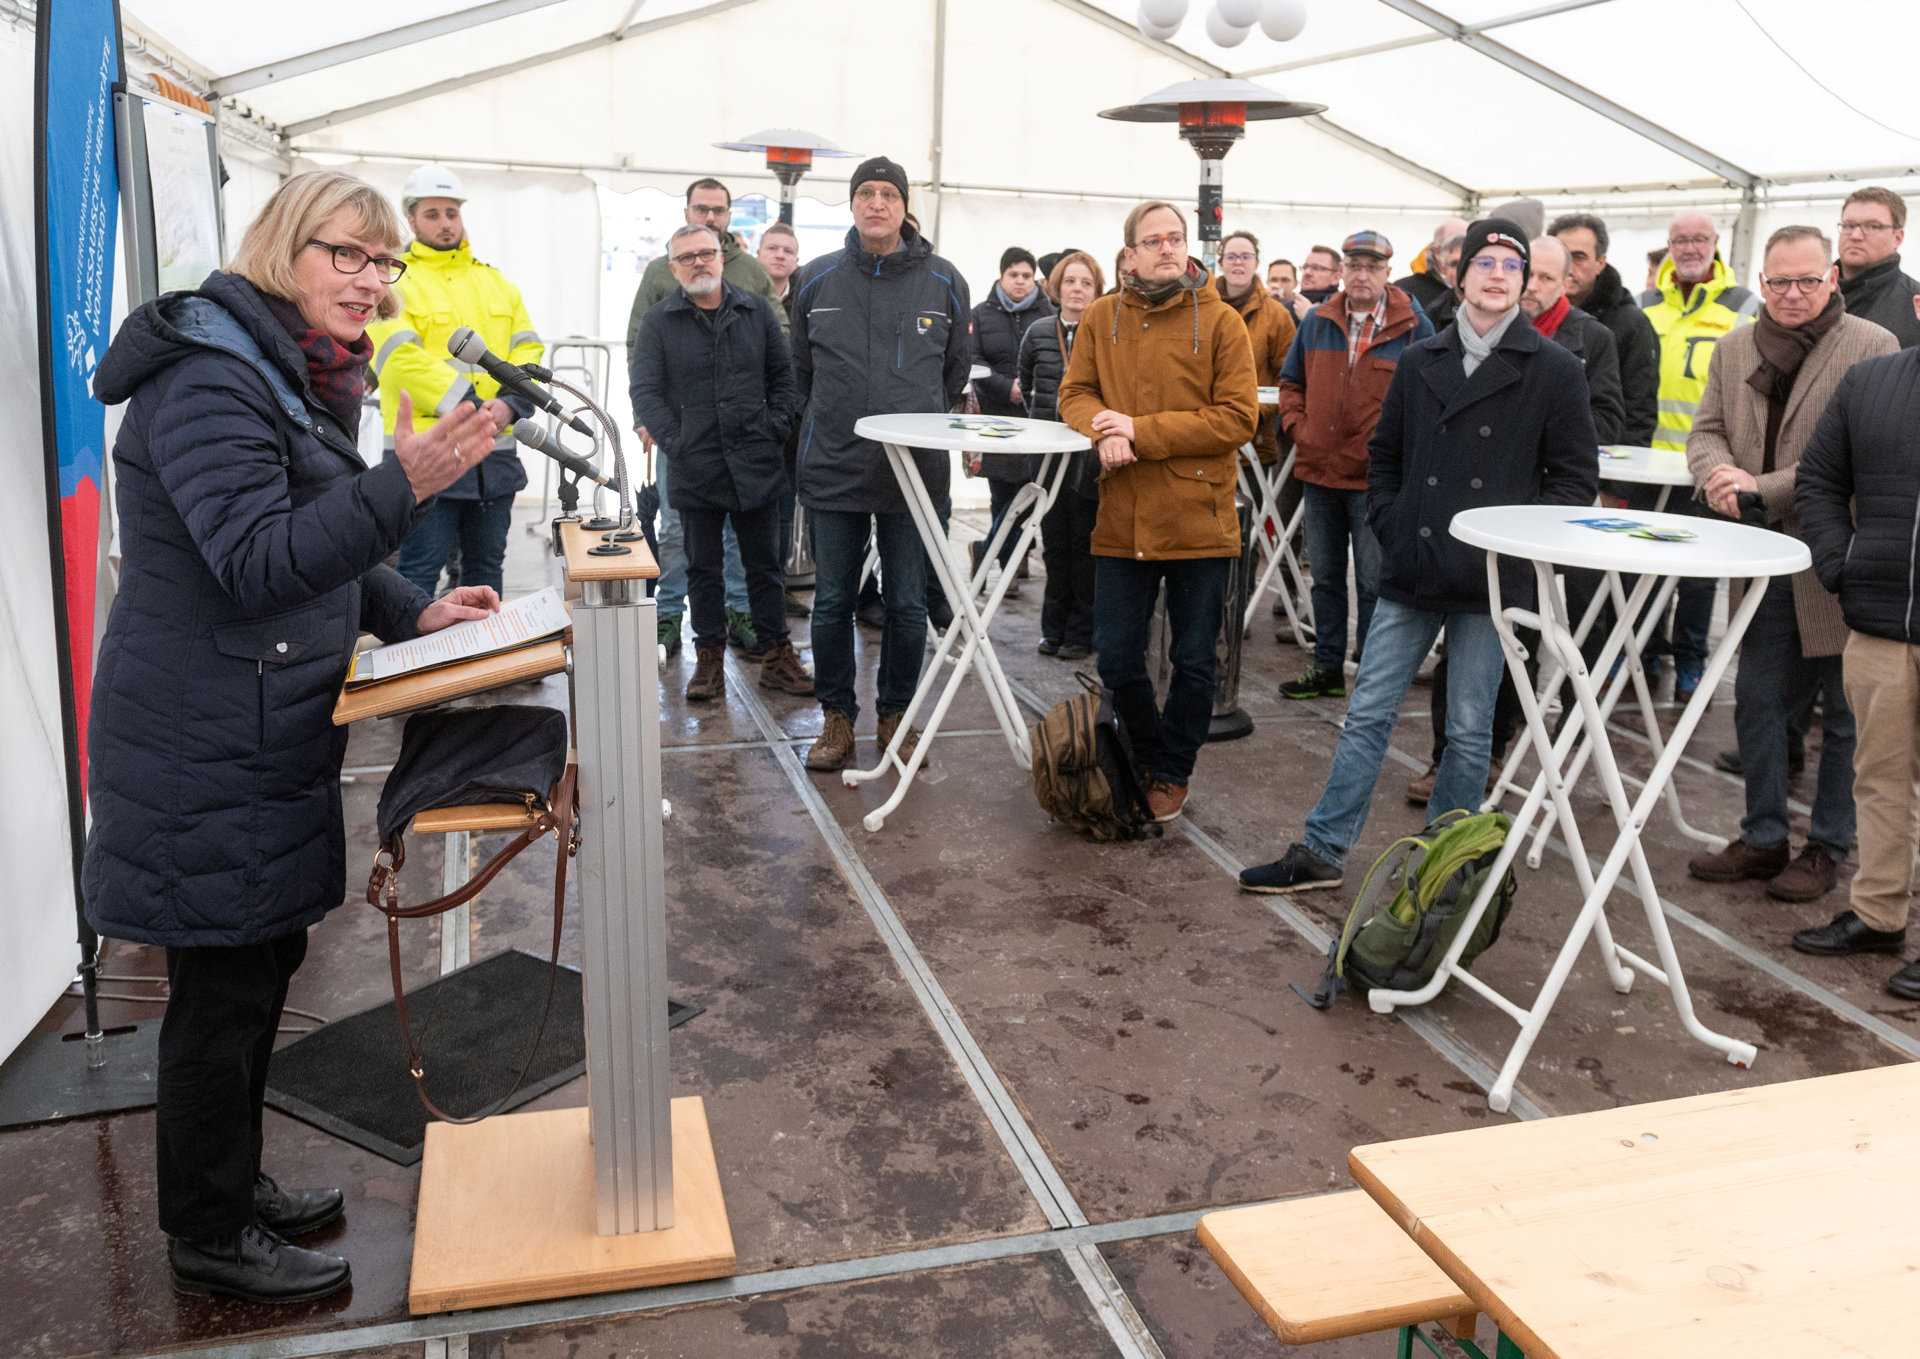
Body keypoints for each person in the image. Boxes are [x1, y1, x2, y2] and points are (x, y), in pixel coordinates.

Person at [86, 171, 504, 1303]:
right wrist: (404, 484)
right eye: (347, 254)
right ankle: (208, 1231)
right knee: (221, 986)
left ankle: (231, 1180)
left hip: (258, 721)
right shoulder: (211, 377)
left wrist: (410, 611)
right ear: (284, 247)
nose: (371, 280)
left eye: (385, 262)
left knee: (262, 960)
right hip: (199, 732)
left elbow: (318, 534)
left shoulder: (286, 367)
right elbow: (260, 561)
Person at [1239, 220, 1599, 893]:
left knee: (1468, 728)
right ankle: (1322, 848)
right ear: (1458, 276)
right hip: (1414, 564)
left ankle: (1441, 866)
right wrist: (1395, 523)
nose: (1496, 276)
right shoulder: (1420, 357)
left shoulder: (1555, 370)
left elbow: (1573, 483)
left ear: (1525, 281)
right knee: (1367, 711)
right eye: (1483, 263)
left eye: (1511, 267)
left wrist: (1513, 549)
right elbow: (1387, 457)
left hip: (1491, 580)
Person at [1683, 226, 1897, 901]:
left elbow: (1860, 456)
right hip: (1759, 556)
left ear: (1832, 278)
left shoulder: (1872, 345)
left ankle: (1827, 847)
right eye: (1779, 281)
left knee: (1845, 716)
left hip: (1838, 554)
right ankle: (1764, 837)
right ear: (1762, 281)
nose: (1793, 293)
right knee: (1758, 701)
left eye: (1808, 280)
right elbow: (1705, 430)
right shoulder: (1733, 346)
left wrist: (1760, 488)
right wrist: (1718, 476)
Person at [1057, 201, 1257, 822]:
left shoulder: (1222, 321)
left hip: (1200, 515)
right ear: (1129, 254)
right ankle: (1146, 758)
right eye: (1153, 240)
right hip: (1124, 513)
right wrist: (1103, 428)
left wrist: (1140, 431)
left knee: (1193, 659)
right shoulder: (1101, 316)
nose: (1167, 248)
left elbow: (1238, 417)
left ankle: (1172, 772)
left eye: (1176, 237)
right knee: (1117, 656)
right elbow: (1074, 392)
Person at [1407, 233, 1623, 804]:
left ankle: (1496, 754)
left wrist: (1533, 437)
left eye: (1543, 276)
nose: (1528, 286)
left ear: (1558, 281)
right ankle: (1448, 760)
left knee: (1520, 643)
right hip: (1462, 522)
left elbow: (1606, 423)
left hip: (1534, 520)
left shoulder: (1587, 340)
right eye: (1492, 264)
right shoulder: (1461, 332)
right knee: (1461, 650)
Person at [790, 156, 972, 771]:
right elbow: (801, 371)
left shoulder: (944, 281)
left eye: (888, 194)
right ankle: (837, 719)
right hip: (833, 465)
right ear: (851, 204)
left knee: (908, 603)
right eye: (865, 192)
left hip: (914, 471)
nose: (876, 203)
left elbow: (953, 374)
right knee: (831, 602)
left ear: (903, 206)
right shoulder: (816, 279)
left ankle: (896, 716)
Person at [1791, 290, 1920, 999]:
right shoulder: (1871, 383)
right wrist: (1841, 563)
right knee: (1879, 777)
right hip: (1879, 625)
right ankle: (1878, 914)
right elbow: (1818, 479)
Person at [630, 224, 813, 703]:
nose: (698, 262)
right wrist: (676, 441)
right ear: (673, 269)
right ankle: (708, 657)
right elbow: (644, 389)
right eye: (686, 257)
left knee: (765, 567)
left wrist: (775, 427)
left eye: (706, 253)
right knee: (703, 569)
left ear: (721, 257)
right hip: (695, 464)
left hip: (756, 458)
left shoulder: (755, 310)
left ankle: (777, 655)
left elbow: (783, 376)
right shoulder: (660, 321)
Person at [368, 164, 543, 600]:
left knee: (485, 574)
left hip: (494, 461)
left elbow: (528, 349)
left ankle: (486, 648)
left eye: (452, 212)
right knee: (418, 574)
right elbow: (398, 359)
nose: (445, 223)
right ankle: (417, 648)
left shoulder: (496, 282)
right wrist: (473, 407)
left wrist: (510, 403)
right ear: (411, 220)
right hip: (430, 457)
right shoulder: (392, 281)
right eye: (432, 214)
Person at [1275, 230, 1434, 700]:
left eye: (1373, 267)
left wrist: (1395, 455)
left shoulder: (1414, 327)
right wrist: (1299, 428)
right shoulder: (1317, 321)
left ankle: (1370, 677)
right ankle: (1326, 668)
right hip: (1319, 471)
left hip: (1373, 482)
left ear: (1388, 273)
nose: (1362, 275)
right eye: (1355, 266)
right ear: (1343, 271)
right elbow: (1290, 382)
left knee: (1372, 581)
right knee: (1325, 579)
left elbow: (1428, 398)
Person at [631, 179, 777, 658]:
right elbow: (639, 348)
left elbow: (779, 342)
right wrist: (655, 425)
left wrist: (771, 424)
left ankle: (740, 612)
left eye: (718, 210)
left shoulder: (751, 273)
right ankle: (669, 615)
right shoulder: (660, 271)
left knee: (738, 538)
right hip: (685, 437)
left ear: (729, 217)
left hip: (743, 435)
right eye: (701, 208)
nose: (710, 216)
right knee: (677, 531)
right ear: (687, 212)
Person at [1642, 209, 1760, 702]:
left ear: (1716, 243)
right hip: (1647, 467)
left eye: (1699, 239)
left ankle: (1691, 660)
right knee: (1645, 567)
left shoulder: (1746, 305)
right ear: (1669, 246)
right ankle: (1644, 653)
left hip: (1709, 465)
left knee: (1698, 575)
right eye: (1680, 240)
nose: (1689, 248)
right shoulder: (1645, 304)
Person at [1020, 250, 1105, 659]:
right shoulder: (1038, 332)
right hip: (1048, 454)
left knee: (1084, 544)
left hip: (1087, 454)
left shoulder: (1106, 333)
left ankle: (1080, 634)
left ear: (1097, 289)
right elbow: (1026, 383)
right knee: (1053, 544)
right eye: (1070, 281)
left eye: (1086, 282)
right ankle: (1051, 630)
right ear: (1056, 287)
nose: (1077, 289)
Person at [971, 246, 1055, 592]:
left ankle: (986, 550)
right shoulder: (981, 314)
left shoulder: (1048, 312)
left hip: (1035, 418)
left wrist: (1031, 388)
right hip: (996, 418)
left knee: (1029, 492)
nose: (1020, 281)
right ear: (1002, 276)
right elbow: (973, 361)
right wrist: (1007, 388)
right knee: (1001, 494)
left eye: (1026, 275)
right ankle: (1008, 566)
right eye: (1013, 275)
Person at [1550, 211, 1659, 446]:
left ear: (1600, 263)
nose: (1569, 267)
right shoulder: (1529, 315)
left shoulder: (1631, 324)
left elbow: (1638, 413)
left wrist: (1616, 471)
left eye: (1579, 257)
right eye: (1562, 256)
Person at [758, 221, 811, 619]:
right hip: (747, 428)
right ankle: (739, 599)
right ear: (758, 254)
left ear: (796, 260)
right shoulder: (743, 298)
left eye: (787, 251)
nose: (780, 255)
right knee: (743, 522)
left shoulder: (805, 304)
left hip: (790, 429)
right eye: (772, 248)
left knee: (781, 515)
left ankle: (773, 593)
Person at [1216, 229, 1299, 470]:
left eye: (1246, 256)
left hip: (1253, 438)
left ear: (1257, 263)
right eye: (1231, 256)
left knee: (1252, 496)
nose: (1238, 262)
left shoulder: (1277, 316)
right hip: (1203, 437)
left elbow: (1289, 377)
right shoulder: (1201, 308)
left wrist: (1255, 413)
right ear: (1221, 263)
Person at [1835, 187, 1920, 350]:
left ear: (1897, 238)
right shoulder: (1809, 293)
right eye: (1849, 225)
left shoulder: (1914, 303)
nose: (1855, 235)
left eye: (1872, 226)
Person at [1394, 217, 1468, 322]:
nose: (1464, 250)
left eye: (1469, 243)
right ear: (1437, 251)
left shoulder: (1482, 289)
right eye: (1455, 243)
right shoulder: (1404, 291)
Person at [1294, 245, 1343, 321]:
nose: (1307, 272)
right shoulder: (1284, 309)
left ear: (1336, 278)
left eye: (1317, 268)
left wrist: (1311, 318)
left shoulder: (1344, 310)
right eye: (1305, 267)